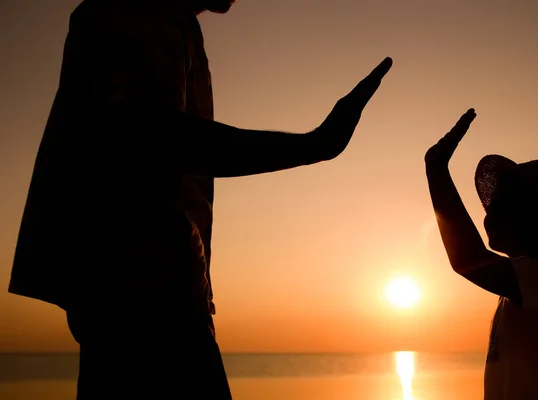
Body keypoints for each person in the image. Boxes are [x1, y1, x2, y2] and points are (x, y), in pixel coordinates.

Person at [8, 0, 393, 398]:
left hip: (149, 295)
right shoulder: (135, 10)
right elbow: (155, 137)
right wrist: (315, 145)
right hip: (140, 302)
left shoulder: (175, 24)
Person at [424, 109, 538, 400]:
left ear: (534, 219)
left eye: (502, 206)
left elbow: (468, 260)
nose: (489, 215)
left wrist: (437, 169)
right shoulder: (528, 284)